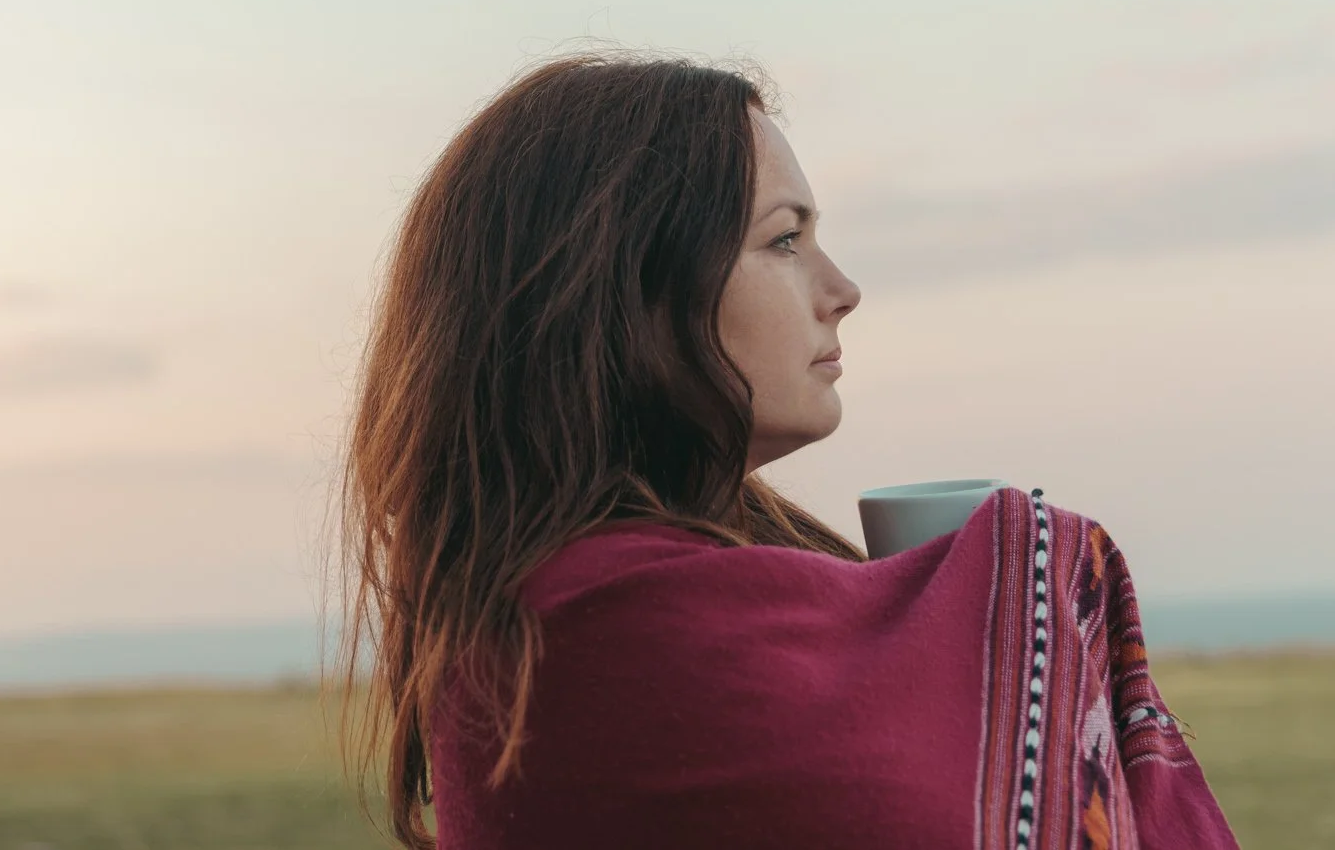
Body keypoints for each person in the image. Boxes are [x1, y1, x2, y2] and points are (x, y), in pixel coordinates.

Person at [323, 47, 1240, 848]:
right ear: (625, 289)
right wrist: (1004, 584)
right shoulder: (599, 626)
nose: (841, 289)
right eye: (785, 239)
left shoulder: (557, 604)